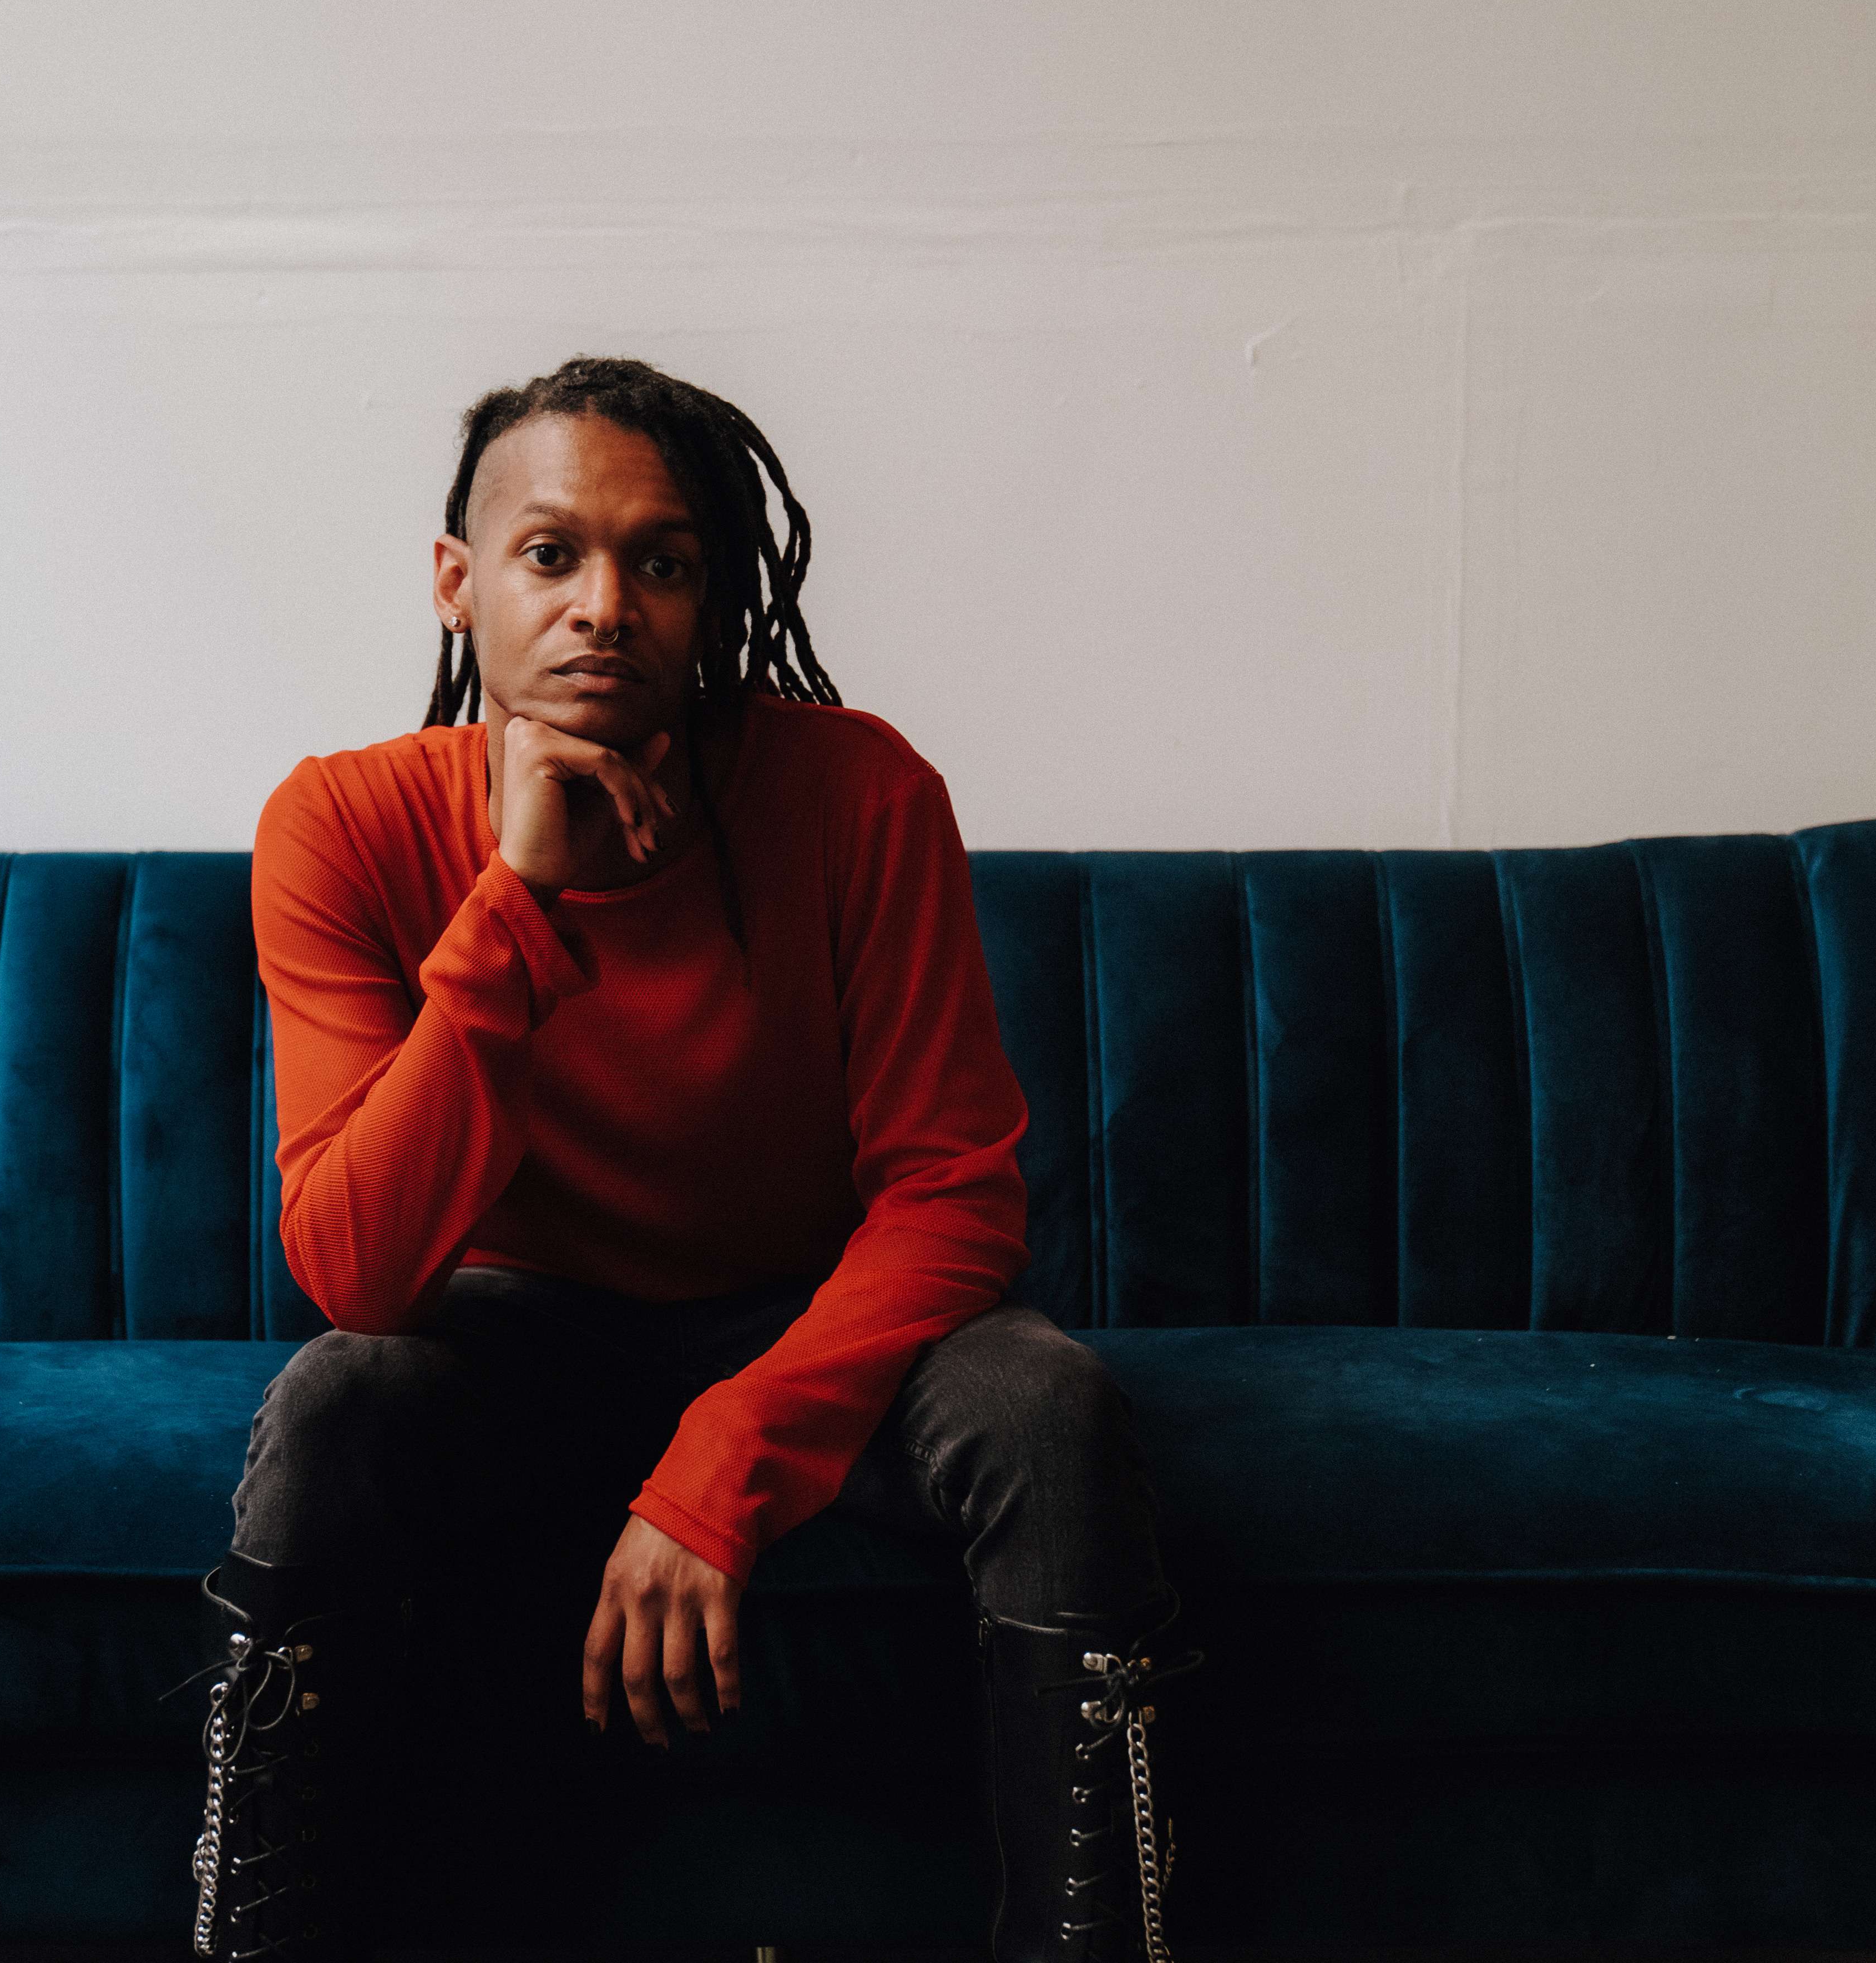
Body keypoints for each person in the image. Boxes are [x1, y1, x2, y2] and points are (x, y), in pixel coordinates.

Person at [183, 357, 1201, 1963]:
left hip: (807, 1327)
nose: (605, 606)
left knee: (1043, 1398)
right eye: (552, 555)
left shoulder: (860, 790)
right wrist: (519, 894)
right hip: (519, 1345)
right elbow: (360, 1270)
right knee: (336, 1397)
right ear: (458, 584)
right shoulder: (343, 822)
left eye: (659, 562)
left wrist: (728, 1456)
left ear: (712, 594)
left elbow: (956, 1190)